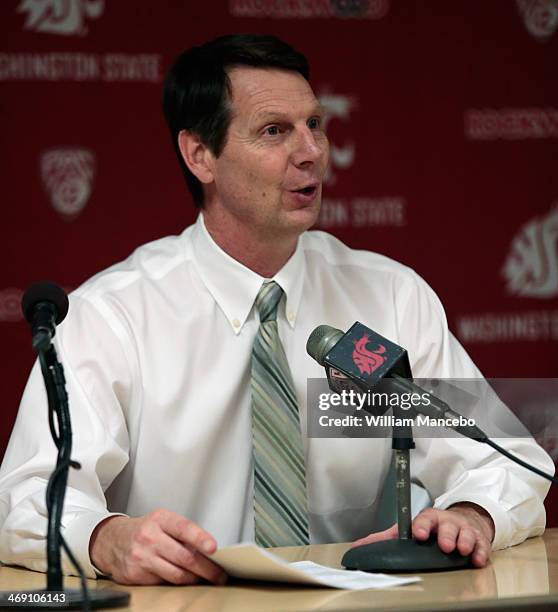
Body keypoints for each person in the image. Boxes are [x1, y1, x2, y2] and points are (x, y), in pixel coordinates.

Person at [0, 34, 553, 587]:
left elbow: (504, 461)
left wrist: (470, 515)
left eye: (314, 124)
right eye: (274, 131)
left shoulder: (389, 298)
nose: (311, 151)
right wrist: (105, 539)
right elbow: (26, 500)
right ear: (200, 155)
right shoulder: (114, 315)